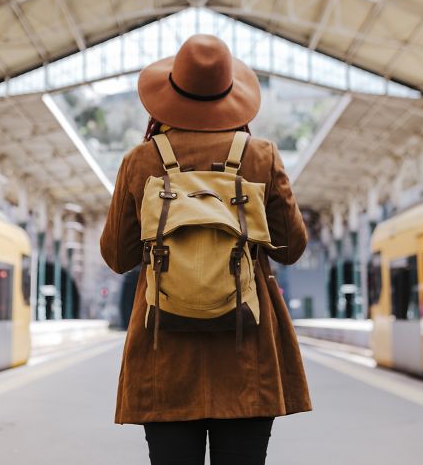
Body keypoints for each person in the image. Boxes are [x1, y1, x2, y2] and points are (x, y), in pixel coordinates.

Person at [100, 34, 311, 465]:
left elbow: (118, 256)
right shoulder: (260, 156)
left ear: (168, 94)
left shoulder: (141, 161)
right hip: (247, 355)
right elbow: (291, 248)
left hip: (164, 355)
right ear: (230, 95)